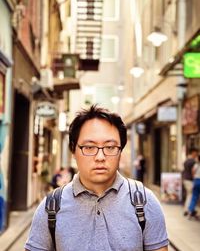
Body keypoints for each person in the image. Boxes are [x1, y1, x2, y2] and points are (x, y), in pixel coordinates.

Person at [25, 105, 168, 251]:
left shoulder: (145, 202)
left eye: (110, 147)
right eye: (89, 147)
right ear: (73, 150)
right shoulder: (51, 207)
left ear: (120, 151)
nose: (100, 157)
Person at [182, 148, 198, 216]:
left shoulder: (186, 160)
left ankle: (188, 209)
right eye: (196, 153)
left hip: (185, 179)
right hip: (190, 180)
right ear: (193, 153)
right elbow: (193, 171)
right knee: (190, 195)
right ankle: (188, 210)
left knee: (189, 195)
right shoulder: (193, 161)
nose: (197, 154)